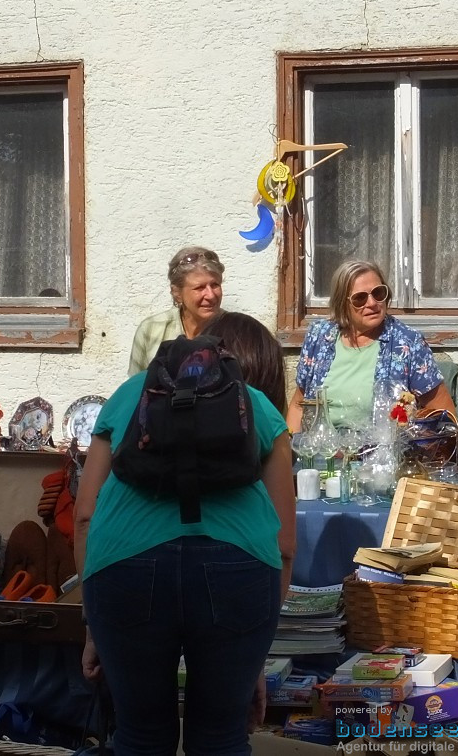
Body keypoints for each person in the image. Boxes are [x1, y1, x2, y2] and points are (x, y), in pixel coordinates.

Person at [75, 312, 296, 755]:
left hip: (124, 569)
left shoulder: (125, 398)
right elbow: (284, 546)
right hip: (238, 572)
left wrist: (95, 629)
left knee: (139, 735)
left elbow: (84, 516)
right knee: (221, 738)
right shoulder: (262, 410)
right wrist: (252, 649)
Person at [286, 259, 457, 433]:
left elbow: (444, 417)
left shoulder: (407, 343)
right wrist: (290, 452)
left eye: (378, 293)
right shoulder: (319, 335)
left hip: (380, 455)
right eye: (360, 298)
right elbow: (299, 406)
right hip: (321, 452)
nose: (372, 303)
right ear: (342, 304)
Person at [127, 246, 225, 374]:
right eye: (199, 288)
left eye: (215, 285)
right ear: (177, 293)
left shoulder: (239, 332)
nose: (211, 295)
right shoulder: (151, 329)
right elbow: (136, 386)